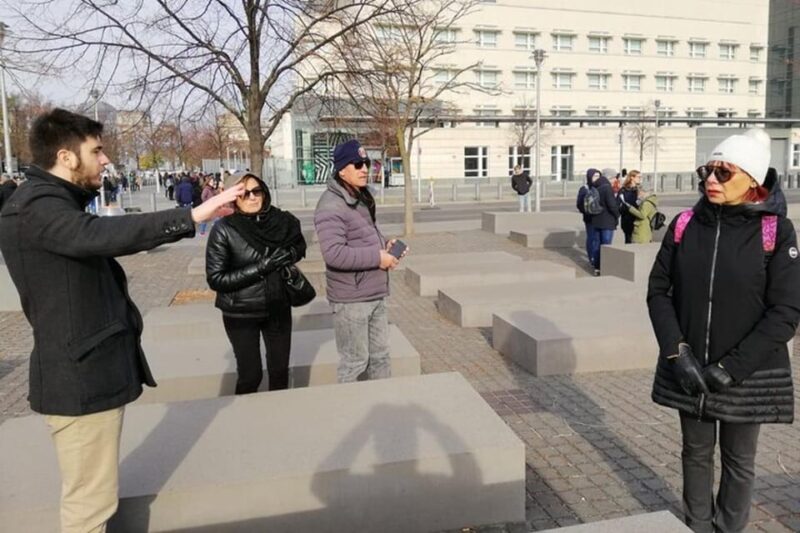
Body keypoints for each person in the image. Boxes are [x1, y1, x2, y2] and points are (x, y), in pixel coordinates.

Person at [0, 108, 244, 533]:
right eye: (97, 150)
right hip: (79, 380)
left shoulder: (47, 203)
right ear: (66, 156)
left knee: (94, 497)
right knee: (88, 509)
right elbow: (101, 236)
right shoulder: (37, 207)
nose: (107, 158)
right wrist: (193, 216)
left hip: (85, 375)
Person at [648, 128, 800, 533]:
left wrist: (732, 368)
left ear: (751, 179)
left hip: (747, 373)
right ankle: (697, 527)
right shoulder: (684, 224)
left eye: (723, 172)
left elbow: (785, 311)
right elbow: (658, 292)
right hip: (690, 366)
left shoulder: (775, 232)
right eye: (707, 171)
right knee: (695, 454)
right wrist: (677, 353)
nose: (710, 180)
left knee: (738, 462)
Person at [314, 139, 406, 382]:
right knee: (354, 364)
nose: (364, 168)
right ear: (342, 169)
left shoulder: (361, 197)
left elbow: (362, 235)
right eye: (357, 164)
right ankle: (352, 415)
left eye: (366, 163)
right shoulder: (330, 205)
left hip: (374, 291)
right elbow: (334, 253)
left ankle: (381, 413)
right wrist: (378, 257)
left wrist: (385, 245)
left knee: (380, 358)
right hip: (351, 300)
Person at [206, 171, 306, 394]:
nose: (252, 197)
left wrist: (290, 253)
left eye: (256, 191)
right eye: (245, 193)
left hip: (278, 306)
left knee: (280, 373)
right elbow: (216, 279)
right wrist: (262, 267)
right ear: (234, 198)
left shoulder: (282, 221)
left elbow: (299, 246)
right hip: (240, 313)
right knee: (251, 376)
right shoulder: (224, 229)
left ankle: (277, 420)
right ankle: (244, 420)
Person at [589, 168, 620, 275]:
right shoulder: (607, 188)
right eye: (615, 177)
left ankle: (597, 268)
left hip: (596, 220)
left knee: (597, 245)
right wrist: (617, 215)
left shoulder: (596, 185)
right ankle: (606, 268)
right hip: (607, 221)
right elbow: (612, 205)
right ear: (610, 177)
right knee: (606, 245)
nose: (615, 180)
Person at [576, 168, 599, 268]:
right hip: (589, 218)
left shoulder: (601, 187)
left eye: (598, 176)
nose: (597, 178)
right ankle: (592, 257)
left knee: (598, 239)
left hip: (599, 218)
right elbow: (579, 203)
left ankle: (597, 256)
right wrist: (587, 211)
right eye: (595, 176)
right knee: (591, 238)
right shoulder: (584, 188)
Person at [617, 169, 642, 243]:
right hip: (627, 220)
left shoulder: (639, 189)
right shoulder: (624, 190)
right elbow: (618, 204)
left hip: (638, 219)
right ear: (632, 177)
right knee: (629, 240)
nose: (640, 179)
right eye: (638, 177)